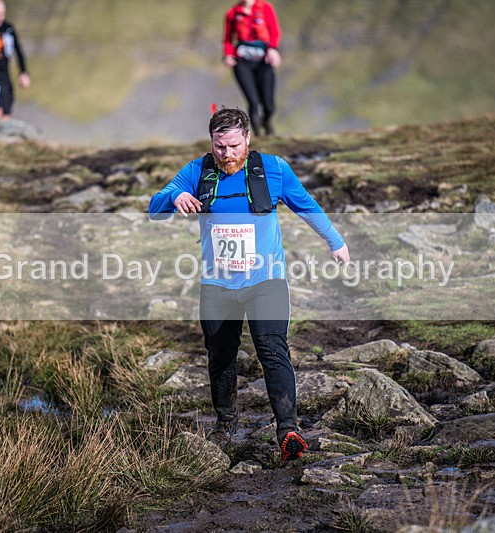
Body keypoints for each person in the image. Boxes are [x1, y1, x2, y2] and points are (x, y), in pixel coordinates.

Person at [149, 108, 349, 461]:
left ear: (248, 139)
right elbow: (154, 209)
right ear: (211, 142)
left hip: (265, 279)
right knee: (220, 355)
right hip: (217, 284)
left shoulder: (273, 169)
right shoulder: (196, 171)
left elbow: (306, 205)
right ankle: (226, 424)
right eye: (219, 146)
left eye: (234, 146)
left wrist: (335, 242)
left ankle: (288, 429)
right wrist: (174, 197)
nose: (227, 154)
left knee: (272, 349)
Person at [223, 0, 282, 137]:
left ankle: (266, 121)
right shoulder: (232, 13)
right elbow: (228, 39)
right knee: (253, 102)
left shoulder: (265, 8)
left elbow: (274, 31)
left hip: (263, 61)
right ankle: (259, 136)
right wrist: (228, 54)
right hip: (242, 63)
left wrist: (273, 49)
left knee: (269, 105)